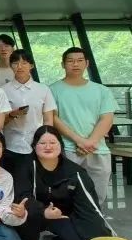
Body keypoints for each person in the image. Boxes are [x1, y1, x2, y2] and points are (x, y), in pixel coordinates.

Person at [16, 126, 117, 240]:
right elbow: (22, 197)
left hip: (62, 218)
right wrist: (43, 211)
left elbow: (90, 210)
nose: (48, 147)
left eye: (53, 143)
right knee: (28, 214)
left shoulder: (75, 172)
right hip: (34, 216)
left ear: (61, 145)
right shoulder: (25, 167)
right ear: (34, 146)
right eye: (42, 143)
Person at [49, 47, 116, 205]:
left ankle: (95, 217)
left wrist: (89, 142)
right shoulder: (52, 90)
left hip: (97, 148)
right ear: (63, 64)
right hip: (68, 148)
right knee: (67, 192)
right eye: (70, 61)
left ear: (87, 63)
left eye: (79, 60)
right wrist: (79, 141)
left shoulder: (102, 90)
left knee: (98, 192)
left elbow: (106, 118)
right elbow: (54, 118)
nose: (75, 64)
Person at [2, 50, 56, 193]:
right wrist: (12, 115)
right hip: (11, 144)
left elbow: (48, 119)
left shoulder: (43, 89)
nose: (20, 66)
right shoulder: (3, 90)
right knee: (13, 183)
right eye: (15, 63)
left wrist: (46, 141)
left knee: (38, 182)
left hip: (36, 142)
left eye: (24, 63)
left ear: (31, 65)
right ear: (10, 66)